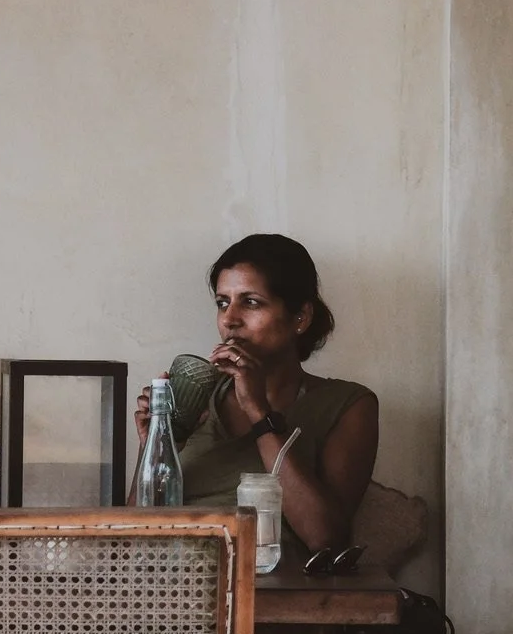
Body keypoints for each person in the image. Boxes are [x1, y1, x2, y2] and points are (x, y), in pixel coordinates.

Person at [134, 233, 378, 562]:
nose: (229, 319)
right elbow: (132, 532)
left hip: (276, 593)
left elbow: (326, 538)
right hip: (175, 591)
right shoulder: (194, 397)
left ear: (300, 318)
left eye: (251, 302)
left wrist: (258, 412)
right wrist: (155, 446)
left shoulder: (348, 404)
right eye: (223, 302)